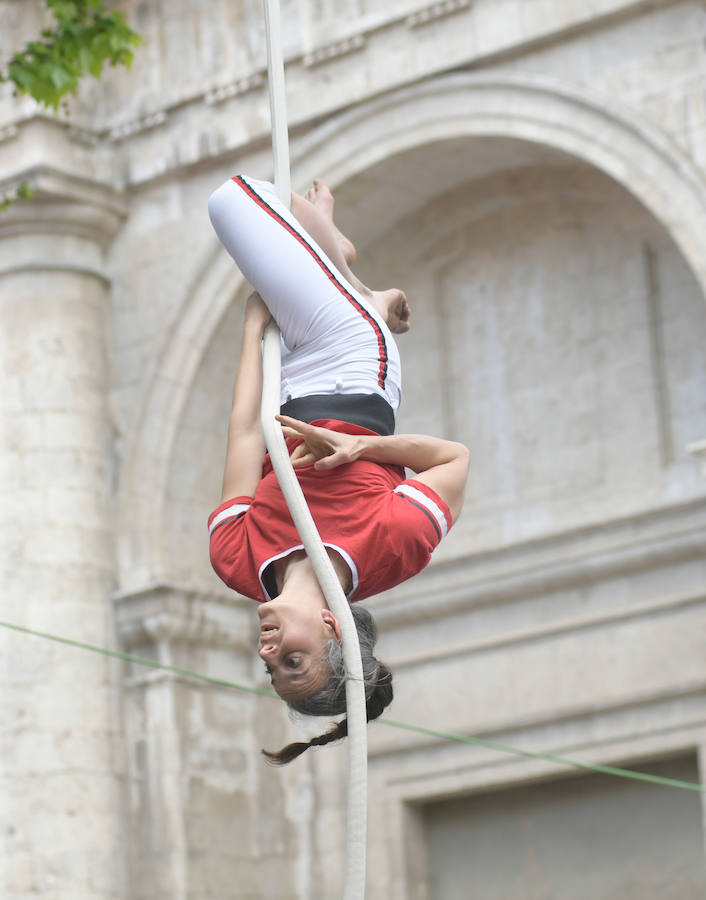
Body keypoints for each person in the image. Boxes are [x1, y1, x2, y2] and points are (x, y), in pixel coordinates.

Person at [207, 174, 469, 764]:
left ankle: (342, 266)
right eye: (292, 660)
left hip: (288, 380)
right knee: (233, 199)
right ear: (333, 630)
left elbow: (247, 434)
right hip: (354, 363)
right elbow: (455, 459)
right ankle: (348, 273)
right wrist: (363, 451)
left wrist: (253, 331)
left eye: (272, 669)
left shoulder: (236, 561)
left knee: (264, 229)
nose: (268, 654)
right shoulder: (390, 549)